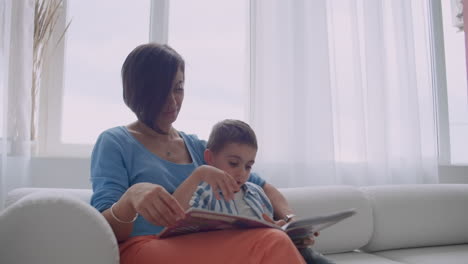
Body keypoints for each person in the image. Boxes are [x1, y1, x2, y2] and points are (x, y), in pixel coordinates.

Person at [90, 43, 310, 263]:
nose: (173, 101)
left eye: (178, 88)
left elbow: (263, 186)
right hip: (143, 247)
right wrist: (131, 198)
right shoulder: (115, 142)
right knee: (272, 241)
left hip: (203, 242)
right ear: (139, 90)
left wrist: (290, 221)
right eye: (162, 90)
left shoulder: (197, 147)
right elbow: (104, 228)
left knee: (277, 238)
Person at [173, 119, 334, 264]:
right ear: (210, 158)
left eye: (248, 166)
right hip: (235, 256)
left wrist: (281, 228)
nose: (242, 172)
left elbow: (268, 227)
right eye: (234, 163)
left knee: (307, 254)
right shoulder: (203, 193)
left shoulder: (256, 193)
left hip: (269, 252)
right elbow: (178, 224)